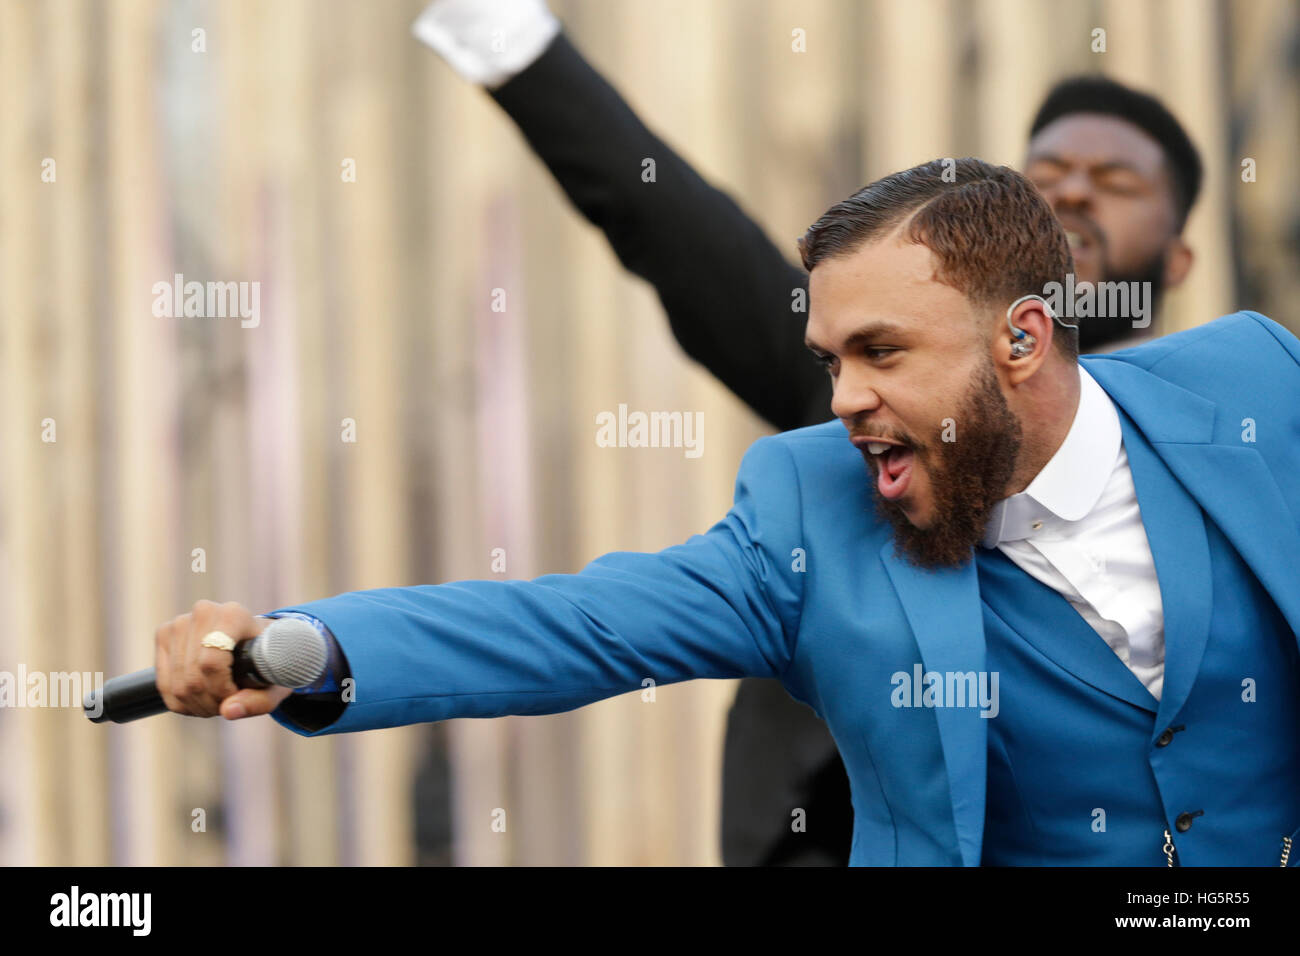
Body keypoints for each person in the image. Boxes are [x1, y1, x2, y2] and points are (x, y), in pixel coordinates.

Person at [155, 159, 1300, 867]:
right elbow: (572, 624)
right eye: (829, 358)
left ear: (1021, 339)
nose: (845, 398)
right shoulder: (811, 513)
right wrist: (306, 648)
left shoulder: (1254, 388)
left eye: (881, 352)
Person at [406, 0, 1205, 864]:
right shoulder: (869, 394)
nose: (1075, 191)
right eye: (1048, 175)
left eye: (1117, 183)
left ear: (1179, 259)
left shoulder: (1236, 451)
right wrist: (512, 42)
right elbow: (677, 231)